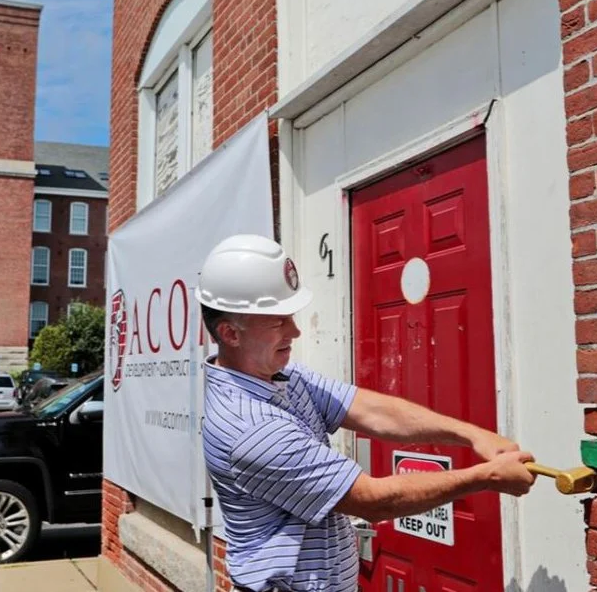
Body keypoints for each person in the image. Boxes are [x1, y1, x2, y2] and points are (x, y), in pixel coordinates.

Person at [196, 234, 536, 592]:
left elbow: (375, 412)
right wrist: (486, 477)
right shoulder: (251, 429)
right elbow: (374, 499)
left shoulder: (282, 377)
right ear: (231, 333)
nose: (295, 331)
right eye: (278, 322)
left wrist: (473, 435)